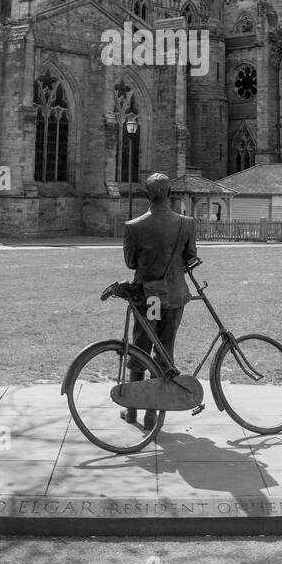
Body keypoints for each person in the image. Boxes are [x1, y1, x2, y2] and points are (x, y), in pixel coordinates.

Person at [122, 173, 197, 431]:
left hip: (147, 295)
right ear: (169, 194)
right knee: (165, 350)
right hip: (174, 296)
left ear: (147, 195)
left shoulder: (134, 226)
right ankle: (152, 415)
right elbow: (190, 258)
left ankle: (131, 409)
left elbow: (131, 262)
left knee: (140, 348)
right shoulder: (186, 223)